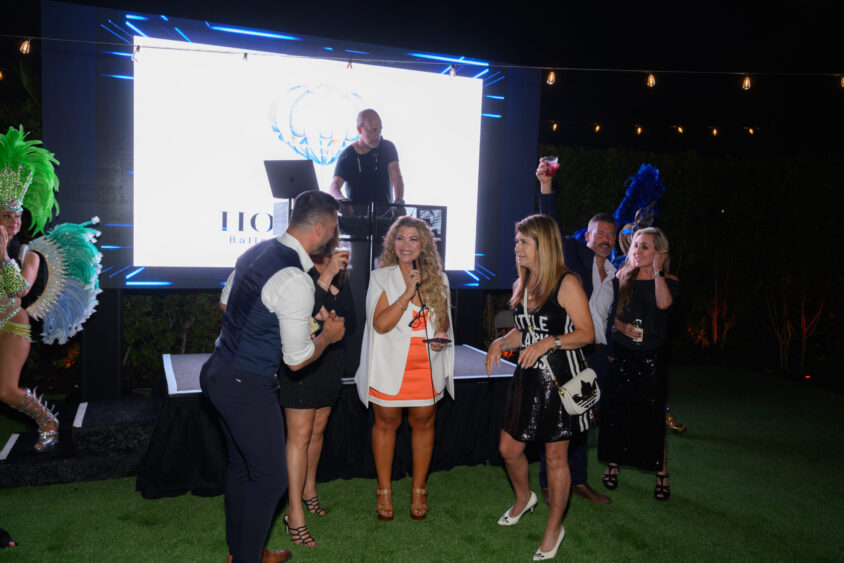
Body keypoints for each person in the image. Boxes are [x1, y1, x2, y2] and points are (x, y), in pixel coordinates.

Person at [201, 190, 346, 563]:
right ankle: (247, 556)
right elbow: (296, 361)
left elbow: (225, 303)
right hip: (246, 385)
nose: (334, 234)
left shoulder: (256, 250)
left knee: (241, 467)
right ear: (319, 228)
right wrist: (328, 337)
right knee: (270, 479)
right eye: (333, 227)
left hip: (218, 372)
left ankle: (243, 552)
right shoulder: (295, 278)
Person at [486, 214, 595, 561]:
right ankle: (524, 497)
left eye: (523, 242)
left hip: (561, 381)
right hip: (528, 378)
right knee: (508, 449)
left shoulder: (566, 283)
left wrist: (550, 342)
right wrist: (502, 340)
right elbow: (526, 331)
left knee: (555, 457)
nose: (516, 248)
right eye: (517, 242)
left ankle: (554, 526)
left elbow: (586, 333)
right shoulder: (525, 281)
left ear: (543, 245)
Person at [354, 216, 454, 521]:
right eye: (400, 238)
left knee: (424, 423)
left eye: (413, 239)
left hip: (425, 364)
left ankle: (419, 488)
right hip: (390, 364)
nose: (406, 245)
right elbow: (381, 324)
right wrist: (408, 292)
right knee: (385, 424)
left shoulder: (439, 277)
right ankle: (384, 490)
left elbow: (445, 320)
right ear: (392, 243)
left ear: (423, 244)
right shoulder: (380, 277)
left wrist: (441, 335)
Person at [536, 158, 617, 505]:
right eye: (600, 233)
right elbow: (551, 227)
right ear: (588, 236)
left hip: (598, 356)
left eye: (612, 235)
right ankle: (546, 481)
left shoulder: (617, 272)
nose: (606, 240)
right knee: (557, 416)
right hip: (570, 350)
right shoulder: (573, 256)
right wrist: (546, 188)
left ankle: (579, 481)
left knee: (582, 420)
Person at [277, 232, 354, 547]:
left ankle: (309, 489)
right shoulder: (297, 267)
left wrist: (330, 295)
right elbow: (308, 309)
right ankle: (294, 514)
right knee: (299, 435)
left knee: (318, 428)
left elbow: (346, 311)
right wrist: (327, 281)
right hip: (302, 356)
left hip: (331, 356)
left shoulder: (339, 269)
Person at [598, 227, 679, 501]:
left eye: (645, 246)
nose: (638, 251)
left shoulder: (669, 280)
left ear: (659, 252)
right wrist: (621, 326)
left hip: (651, 358)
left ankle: (661, 473)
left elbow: (663, 304)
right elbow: (611, 319)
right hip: (623, 357)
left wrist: (657, 272)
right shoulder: (622, 277)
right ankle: (613, 464)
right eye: (635, 246)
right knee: (617, 413)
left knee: (653, 416)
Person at [1, 127, 60, 453]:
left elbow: (21, 290)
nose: (13, 221)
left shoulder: (29, 255)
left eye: (18, 215)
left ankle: (47, 420)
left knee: (7, 390)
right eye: (6, 215)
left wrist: (2, 257)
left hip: (12, 322)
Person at [327, 109, 405, 205]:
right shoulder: (348, 155)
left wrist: (399, 201)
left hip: (387, 216)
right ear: (359, 129)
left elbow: (396, 176)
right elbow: (334, 185)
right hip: (357, 217)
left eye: (380, 129)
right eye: (373, 130)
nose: (378, 135)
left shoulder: (388, 147)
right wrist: (341, 199)